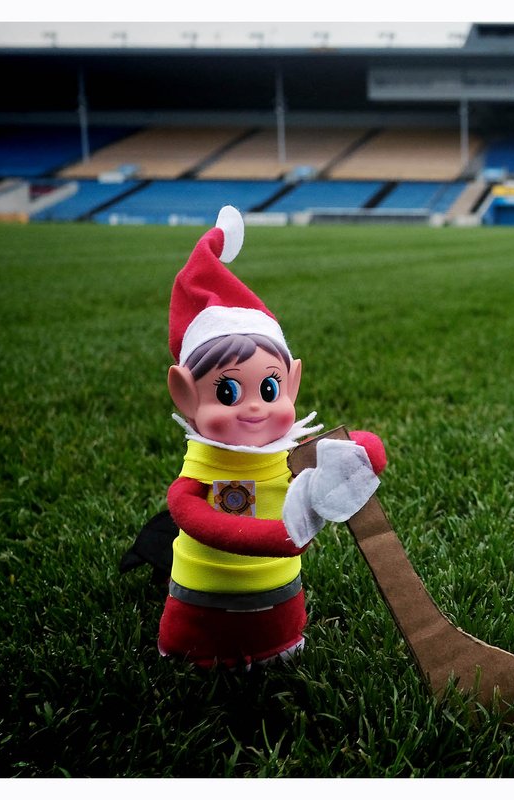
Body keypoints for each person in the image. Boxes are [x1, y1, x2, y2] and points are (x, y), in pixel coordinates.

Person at [156, 205, 385, 669]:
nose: (255, 408)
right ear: (186, 395)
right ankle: (195, 652)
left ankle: (280, 643)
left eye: (269, 389)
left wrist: (362, 452)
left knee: (280, 633)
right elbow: (193, 514)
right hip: (201, 609)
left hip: (279, 602)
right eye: (227, 392)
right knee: (200, 646)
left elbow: (368, 454)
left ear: (292, 384)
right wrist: (277, 536)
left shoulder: (288, 455)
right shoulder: (199, 473)